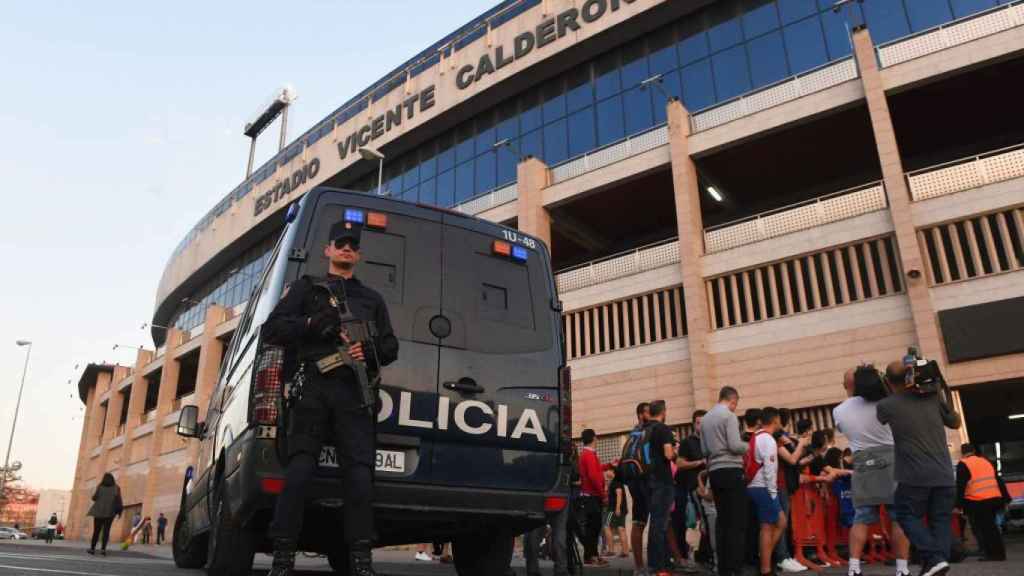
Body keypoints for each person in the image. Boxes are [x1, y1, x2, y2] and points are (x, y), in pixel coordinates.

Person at [264, 218, 399, 576]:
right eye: (340, 243)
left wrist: (367, 352)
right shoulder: (306, 290)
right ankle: (282, 559)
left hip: (354, 394)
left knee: (359, 476)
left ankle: (361, 561)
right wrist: (311, 325)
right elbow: (271, 330)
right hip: (312, 390)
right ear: (328, 250)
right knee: (300, 470)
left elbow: (390, 346)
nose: (347, 248)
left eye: (353, 245)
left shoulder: (372, 299)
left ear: (359, 254)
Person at [878, 361, 961, 576]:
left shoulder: (886, 405)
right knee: (940, 521)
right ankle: (937, 563)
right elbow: (955, 422)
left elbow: (882, 417)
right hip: (944, 474)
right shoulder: (933, 398)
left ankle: (934, 559)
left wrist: (889, 388)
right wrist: (941, 390)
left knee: (905, 514)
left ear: (887, 381)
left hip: (914, 475)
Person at [833, 366, 911, 576]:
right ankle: (902, 569)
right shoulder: (888, 402)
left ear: (849, 385)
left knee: (861, 518)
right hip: (892, 459)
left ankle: (854, 567)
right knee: (898, 518)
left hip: (862, 461)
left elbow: (842, 428)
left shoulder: (839, 410)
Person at [702, 386, 749, 576]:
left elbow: (704, 450)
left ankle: (723, 568)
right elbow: (735, 445)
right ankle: (735, 568)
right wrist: (749, 446)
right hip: (731, 469)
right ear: (732, 400)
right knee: (736, 522)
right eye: (735, 404)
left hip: (714, 471)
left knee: (722, 521)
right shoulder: (729, 416)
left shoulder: (705, 419)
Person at [746, 407, 787, 576]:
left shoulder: (757, 437)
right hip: (763, 487)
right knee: (768, 527)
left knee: (779, 523)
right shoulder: (768, 440)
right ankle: (765, 567)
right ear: (775, 420)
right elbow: (770, 469)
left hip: (756, 486)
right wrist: (773, 492)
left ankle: (764, 559)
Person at [955, 443, 1009, 562]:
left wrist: (958, 505)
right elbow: (999, 480)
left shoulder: (963, 464)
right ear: (974, 451)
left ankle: (993, 554)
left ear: (962, 453)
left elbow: (961, 486)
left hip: (978, 501)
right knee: (992, 527)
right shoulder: (986, 461)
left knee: (984, 529)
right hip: (994, 498)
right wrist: (1006, 498)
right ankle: (999, 553)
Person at [774, 410, 809, 573]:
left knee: (784, 522)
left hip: (784, 483)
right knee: (780, 522)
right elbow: (792, 458)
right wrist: (800, 443)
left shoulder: (782, 436)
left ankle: (786, 555)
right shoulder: (775, 436)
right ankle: (782, 557)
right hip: (777, 483)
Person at [646, 400, 677, 576]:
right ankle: (659, 567)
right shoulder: (663, 429)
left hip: (649, 481)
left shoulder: (644, 429)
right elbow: (668, 454)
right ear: (663, 412)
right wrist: (675, 451)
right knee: (660, 524)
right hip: (662, 481)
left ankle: (656, 564)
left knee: (655, 523)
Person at [675, 410, 707, 569]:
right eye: (699, 422)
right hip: (695, 487)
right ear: (694, 424)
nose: (702, 425)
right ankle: (700, 555)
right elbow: (680, 463)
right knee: (702, 522)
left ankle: (703, 554)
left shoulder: (712, 439)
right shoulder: (688, 442)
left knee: (709, 523)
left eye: (704, 422)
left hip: (713, 488)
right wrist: (699, 462)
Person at [627, 402, 652, 576]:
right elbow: (650, 459)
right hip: (647, 482)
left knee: (638, 522)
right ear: (641, 415)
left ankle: (638, 566)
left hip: (635, 483)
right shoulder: (647, 433)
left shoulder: (632, 435)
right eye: (649, 413)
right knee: (662, 521)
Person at [577, 428, 607, 566]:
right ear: (594, 438)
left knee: (593, 527)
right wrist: (603, 494)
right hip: (592, 496)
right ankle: (592, 556)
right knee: (593, 528)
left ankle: (591, 555)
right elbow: (593, 476)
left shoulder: (588, 454)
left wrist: (608, 465)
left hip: (591, 496)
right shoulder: (588, 455)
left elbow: (596, 470)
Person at [86, 473, 123, 556]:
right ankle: (103, 550)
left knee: (96, 531)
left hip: (98, 512)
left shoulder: (100, 486)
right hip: (110, 512)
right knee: (106, 531)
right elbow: (119, 500)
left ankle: (92, 549)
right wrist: (119, 511)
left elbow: (94, 497)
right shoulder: (117, 487)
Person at [606, 465, 630, 558]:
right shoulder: (618, 482)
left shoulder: (615, 483)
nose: (606, 472)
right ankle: (625, 551)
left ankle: (611, 550)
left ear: (613, 472)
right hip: (620, 509)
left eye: (608, 470)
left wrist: (617, 508)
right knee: (621, 529)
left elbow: (619, 494)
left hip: (613, 509)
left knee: (606, 526)